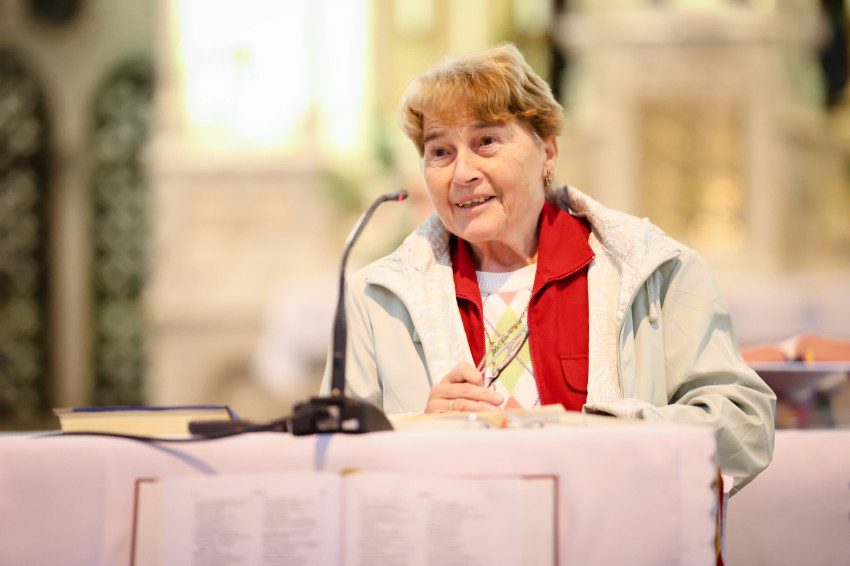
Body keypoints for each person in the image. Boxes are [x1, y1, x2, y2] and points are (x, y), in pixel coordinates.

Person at [320, 44, 775, 493]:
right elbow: (333, 464)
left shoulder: (654, 270)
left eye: (486, 141)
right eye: (440, 151)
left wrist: (601, 434)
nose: (462, 174)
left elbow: (745, 427)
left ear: (548, 152)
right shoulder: (377, 297)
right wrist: (419, 432)